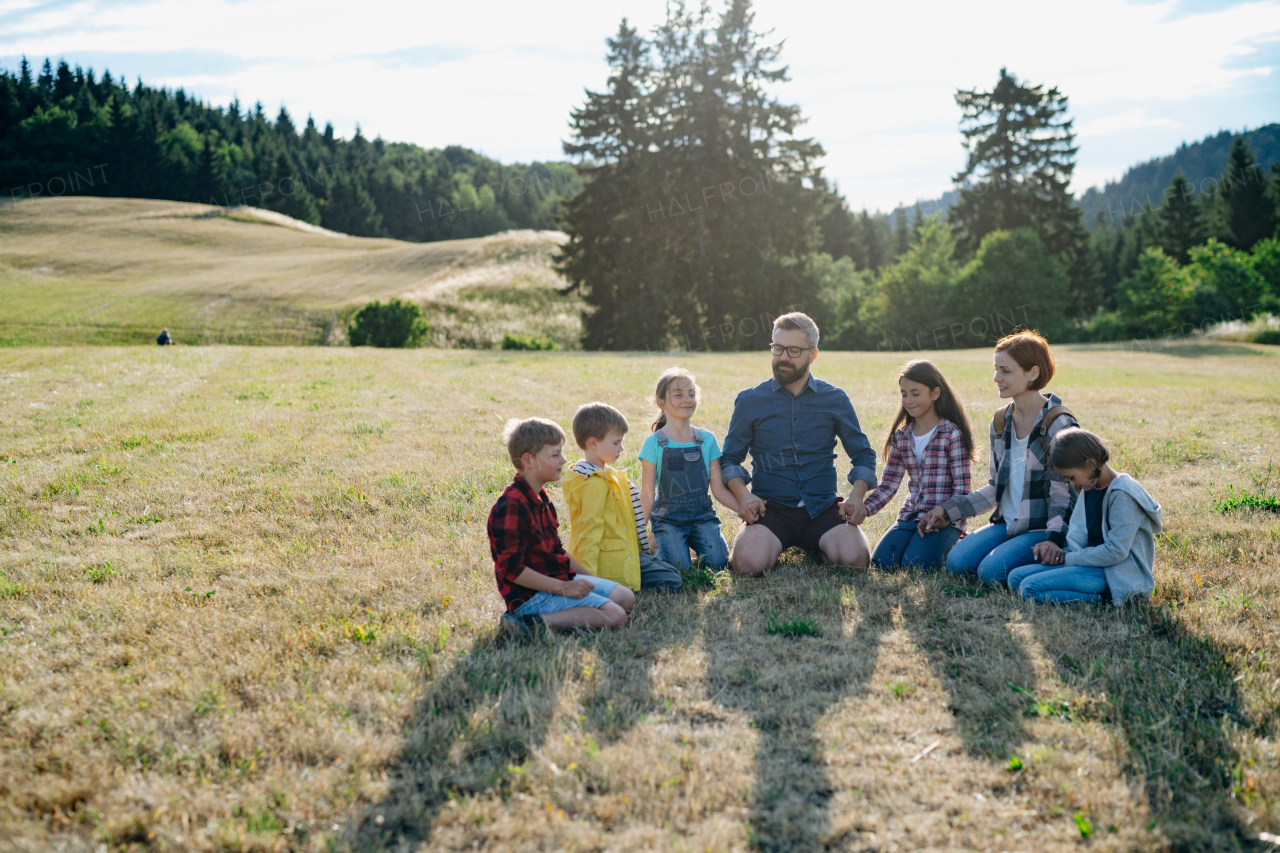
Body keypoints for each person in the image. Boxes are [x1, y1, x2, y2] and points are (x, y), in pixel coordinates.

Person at [720, 312, 878, 575]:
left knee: (856, 560)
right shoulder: (750, 401)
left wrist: (857, 495)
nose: (783, 357)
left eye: (793, 350)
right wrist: (744, 497)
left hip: (823, 508)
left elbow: (863, 454)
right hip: (770, 510)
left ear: (812, 355)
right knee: (748, 565)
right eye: (778, 348)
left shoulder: (835, 398)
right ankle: (761, 540)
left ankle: (821, 544)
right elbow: (729, 460)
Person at [921, 330, 1079, 587]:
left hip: (1044, 528)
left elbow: (1063, 492)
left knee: (990, 572)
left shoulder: (1058, 423)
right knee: (957, 563)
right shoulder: (1000, 420)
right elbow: (997, 488)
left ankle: (1062, 560)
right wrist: (948, 511)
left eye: (1005, 371)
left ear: (1033, 373)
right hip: (1008, 522)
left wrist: (1054, 538)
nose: (996, 378)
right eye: (996, 369)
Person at [487, 417, 636, 633]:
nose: (564, 460)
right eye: (555, 455)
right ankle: (528, 623)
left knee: (625, 597)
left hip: (556, 578)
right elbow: (511, 569)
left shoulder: (542, 498)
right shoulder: (511, 505)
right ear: (529, 461)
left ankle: (555, 613)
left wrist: (593, 582)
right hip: (531, 595)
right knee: (615, 616)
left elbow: (556, 551)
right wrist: (565, 588)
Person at [1007, 428, 1162, 604]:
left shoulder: (1123, 494)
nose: (1072, 484)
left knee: (1029, 589)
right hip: (1091, 565)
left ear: (1090, 463)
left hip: (1115, 573)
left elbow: (1117, 552)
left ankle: (1111, 599)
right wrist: (1061, 553)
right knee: (1015, 578)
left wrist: (1071, 559)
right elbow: (1080, 537)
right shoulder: (1091, 488)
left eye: (1072, 477)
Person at [864, 360, 974, 571]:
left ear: (935, 393)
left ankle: (954, 544)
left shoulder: (951, 434)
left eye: (915, 393)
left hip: (944, 519)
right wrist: (865, 509)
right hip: (911, 515)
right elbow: (888, 485)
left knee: (915, 565)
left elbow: (963, 490)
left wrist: (945, 515)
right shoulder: (902, 437)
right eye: (904, 394)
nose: (908, 400)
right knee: (881, 563)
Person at [563, 402, 683, 591]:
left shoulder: (605, 475)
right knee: (673, 581)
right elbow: (589, 532)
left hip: (622, 552)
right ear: (593, 443)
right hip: (609, 561)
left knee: (673, 573)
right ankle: (617, 586)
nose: (622, 448)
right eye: (616, 442)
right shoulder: (593, 484)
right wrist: (589, 579)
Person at [638, 369, 735, 571]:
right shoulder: (654, 443)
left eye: (692, 394)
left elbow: (717, 488)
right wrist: (635, 533)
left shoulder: (706, 439)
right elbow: (647, 494)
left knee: (719, 564)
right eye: (678, 394)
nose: (687, 399)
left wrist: (742, 507)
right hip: (668, 518)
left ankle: (682, 540)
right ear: (661, 403)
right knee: (679, 568)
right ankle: (655, 541)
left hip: (702, 516)